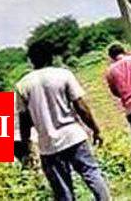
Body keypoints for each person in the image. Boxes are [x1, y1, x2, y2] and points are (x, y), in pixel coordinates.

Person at [16, 40, 111, 201]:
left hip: (48, 145)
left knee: (63, 191)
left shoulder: (22, 85)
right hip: (74, 137)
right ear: (51, 57)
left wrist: (27, 147)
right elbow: (81, 107)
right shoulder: (63, 75)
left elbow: (24, 120)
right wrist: (96, 129)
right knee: (92, 174)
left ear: (31, 60)